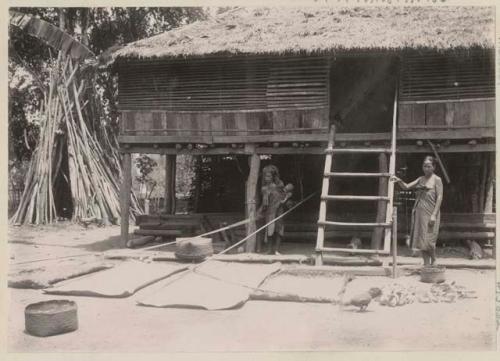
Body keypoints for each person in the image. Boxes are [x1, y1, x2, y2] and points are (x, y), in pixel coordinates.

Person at [391, 156, 443, 266]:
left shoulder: (437, 179)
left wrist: (434, 215)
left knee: (429, 240)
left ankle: (433, 259)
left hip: (431, 212)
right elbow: (406, 187)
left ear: (434, 167)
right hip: (420, 212)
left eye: (429, 166)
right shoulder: (420, 179)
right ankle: (426, 264)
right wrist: (399, 180)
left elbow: (439, 197)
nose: (426, 168)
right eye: (424, 166)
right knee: (421, 240)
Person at [257, 165, 293, 255]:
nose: (266, 178)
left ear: (273, 176)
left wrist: (286, 200)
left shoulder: (279, 185)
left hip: (279, 211)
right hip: (270, 212)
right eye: (265, 176)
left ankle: (276, 250)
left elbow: (285, 195)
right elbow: (264, 203)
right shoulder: (264, 189)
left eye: (269, 176)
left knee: (279, 230)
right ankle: (269, 250)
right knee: (270, 230)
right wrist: (259, 211)